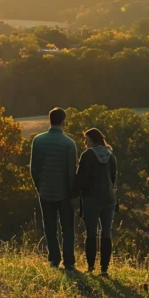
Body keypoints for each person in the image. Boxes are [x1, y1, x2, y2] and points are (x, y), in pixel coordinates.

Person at [29, 108, 78, 270]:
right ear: (63, 120)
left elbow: (34, 168)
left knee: (49, 227)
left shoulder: (38, 140)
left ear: (49, 119)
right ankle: (69, 261)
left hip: (45, 191)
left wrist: (40, 186)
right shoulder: (69, 143)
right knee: (68, 228)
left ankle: (54, 259)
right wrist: (73, 194)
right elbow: (72, 172)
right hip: (64, 193)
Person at [74, 128, 118, 275]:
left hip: (91, 198)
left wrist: (74, 196)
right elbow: (113, 178)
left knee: (91, 233)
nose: (85, 144)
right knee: (106, 233)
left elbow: (80, 178)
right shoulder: (111, 155)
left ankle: (91, 267)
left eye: (86, 141)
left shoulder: (87, 155)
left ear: (92, 141)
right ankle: (104, 269)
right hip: (109, 198)